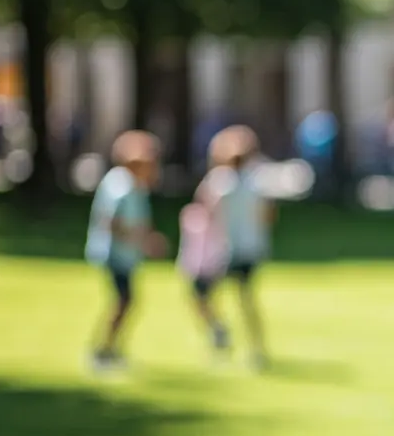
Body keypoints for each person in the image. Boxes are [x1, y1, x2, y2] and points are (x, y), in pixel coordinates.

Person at [180, 126, 275, 369]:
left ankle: (218, 330)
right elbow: (268, 216)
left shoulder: (218, 182)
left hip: (223, 251)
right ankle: (257, 349)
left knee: (200, 293)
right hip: (250, 249)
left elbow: (204, 214)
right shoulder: (256, 183)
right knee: (246, 299)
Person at [85, 130, 168, 371]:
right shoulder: (121, 185)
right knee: (124, 301)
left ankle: (109, 349)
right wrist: (143, 241)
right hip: (115, 254)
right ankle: (103, 350)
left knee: (125, 301)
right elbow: (112, 222)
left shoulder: (134, 185)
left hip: (125, 254)